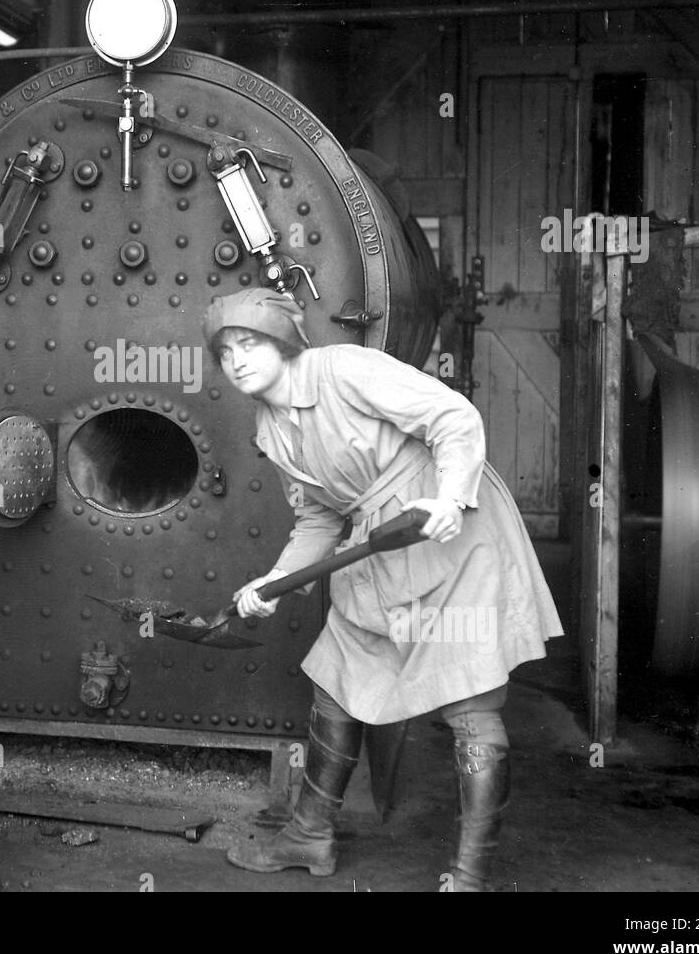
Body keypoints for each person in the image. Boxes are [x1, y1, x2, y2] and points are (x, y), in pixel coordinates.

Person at [205, 287, 562, 891]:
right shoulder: (270, 429)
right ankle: (309, 835)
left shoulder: (345, 370)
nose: (238, 358)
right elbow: (320, 517)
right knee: (339, 676)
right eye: (226, 350)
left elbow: (453, 417)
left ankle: (470, 876)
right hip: (381, 544)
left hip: (447, 532)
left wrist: (450, 496)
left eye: (251, 342)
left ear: (284, 340)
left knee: (470, 700)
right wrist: (274, 580)